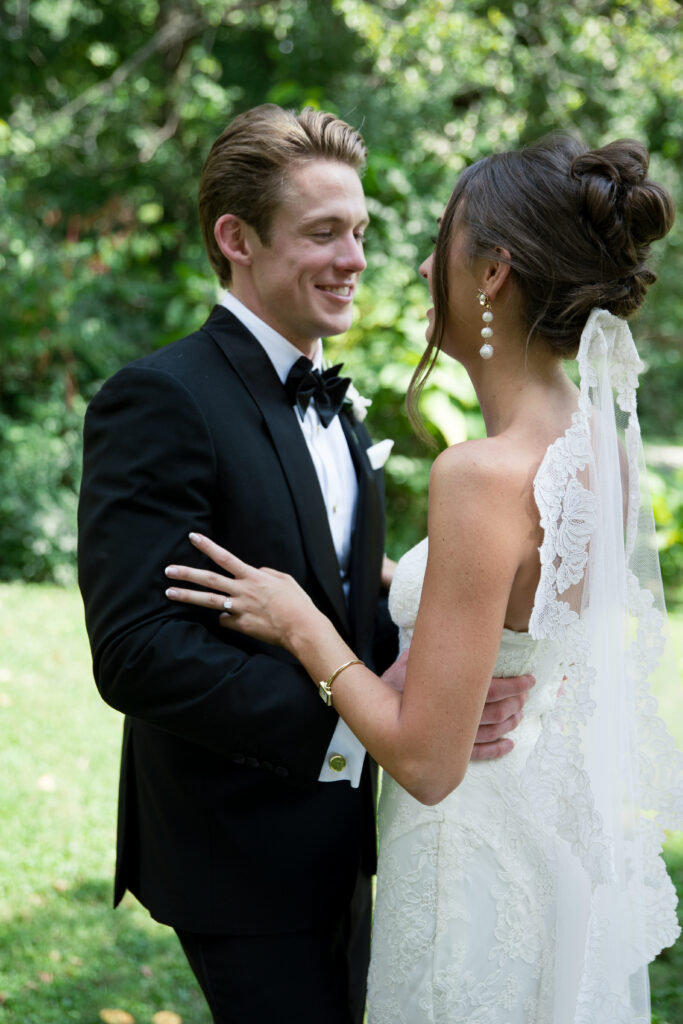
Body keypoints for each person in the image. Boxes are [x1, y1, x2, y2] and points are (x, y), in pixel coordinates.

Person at [164, 133, 683, 1023]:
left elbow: (427, 759)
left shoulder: (480, 474)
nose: (409, 264)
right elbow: (512, 600)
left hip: (465, 861)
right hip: (543, 847)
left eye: (439, 243)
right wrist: (384, 576)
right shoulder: (594, 443)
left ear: (491, 274)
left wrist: (302, 625)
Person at [77, 103, 533, 1024]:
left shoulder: (338, 404)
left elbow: (332, 596)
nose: (356, 258)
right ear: (235, 238)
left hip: (354, 835)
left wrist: (435, 684)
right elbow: (136, 649)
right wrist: (361, 722)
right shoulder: (161, 398)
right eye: (324, 232)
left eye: (360, 230)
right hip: (235, 844)